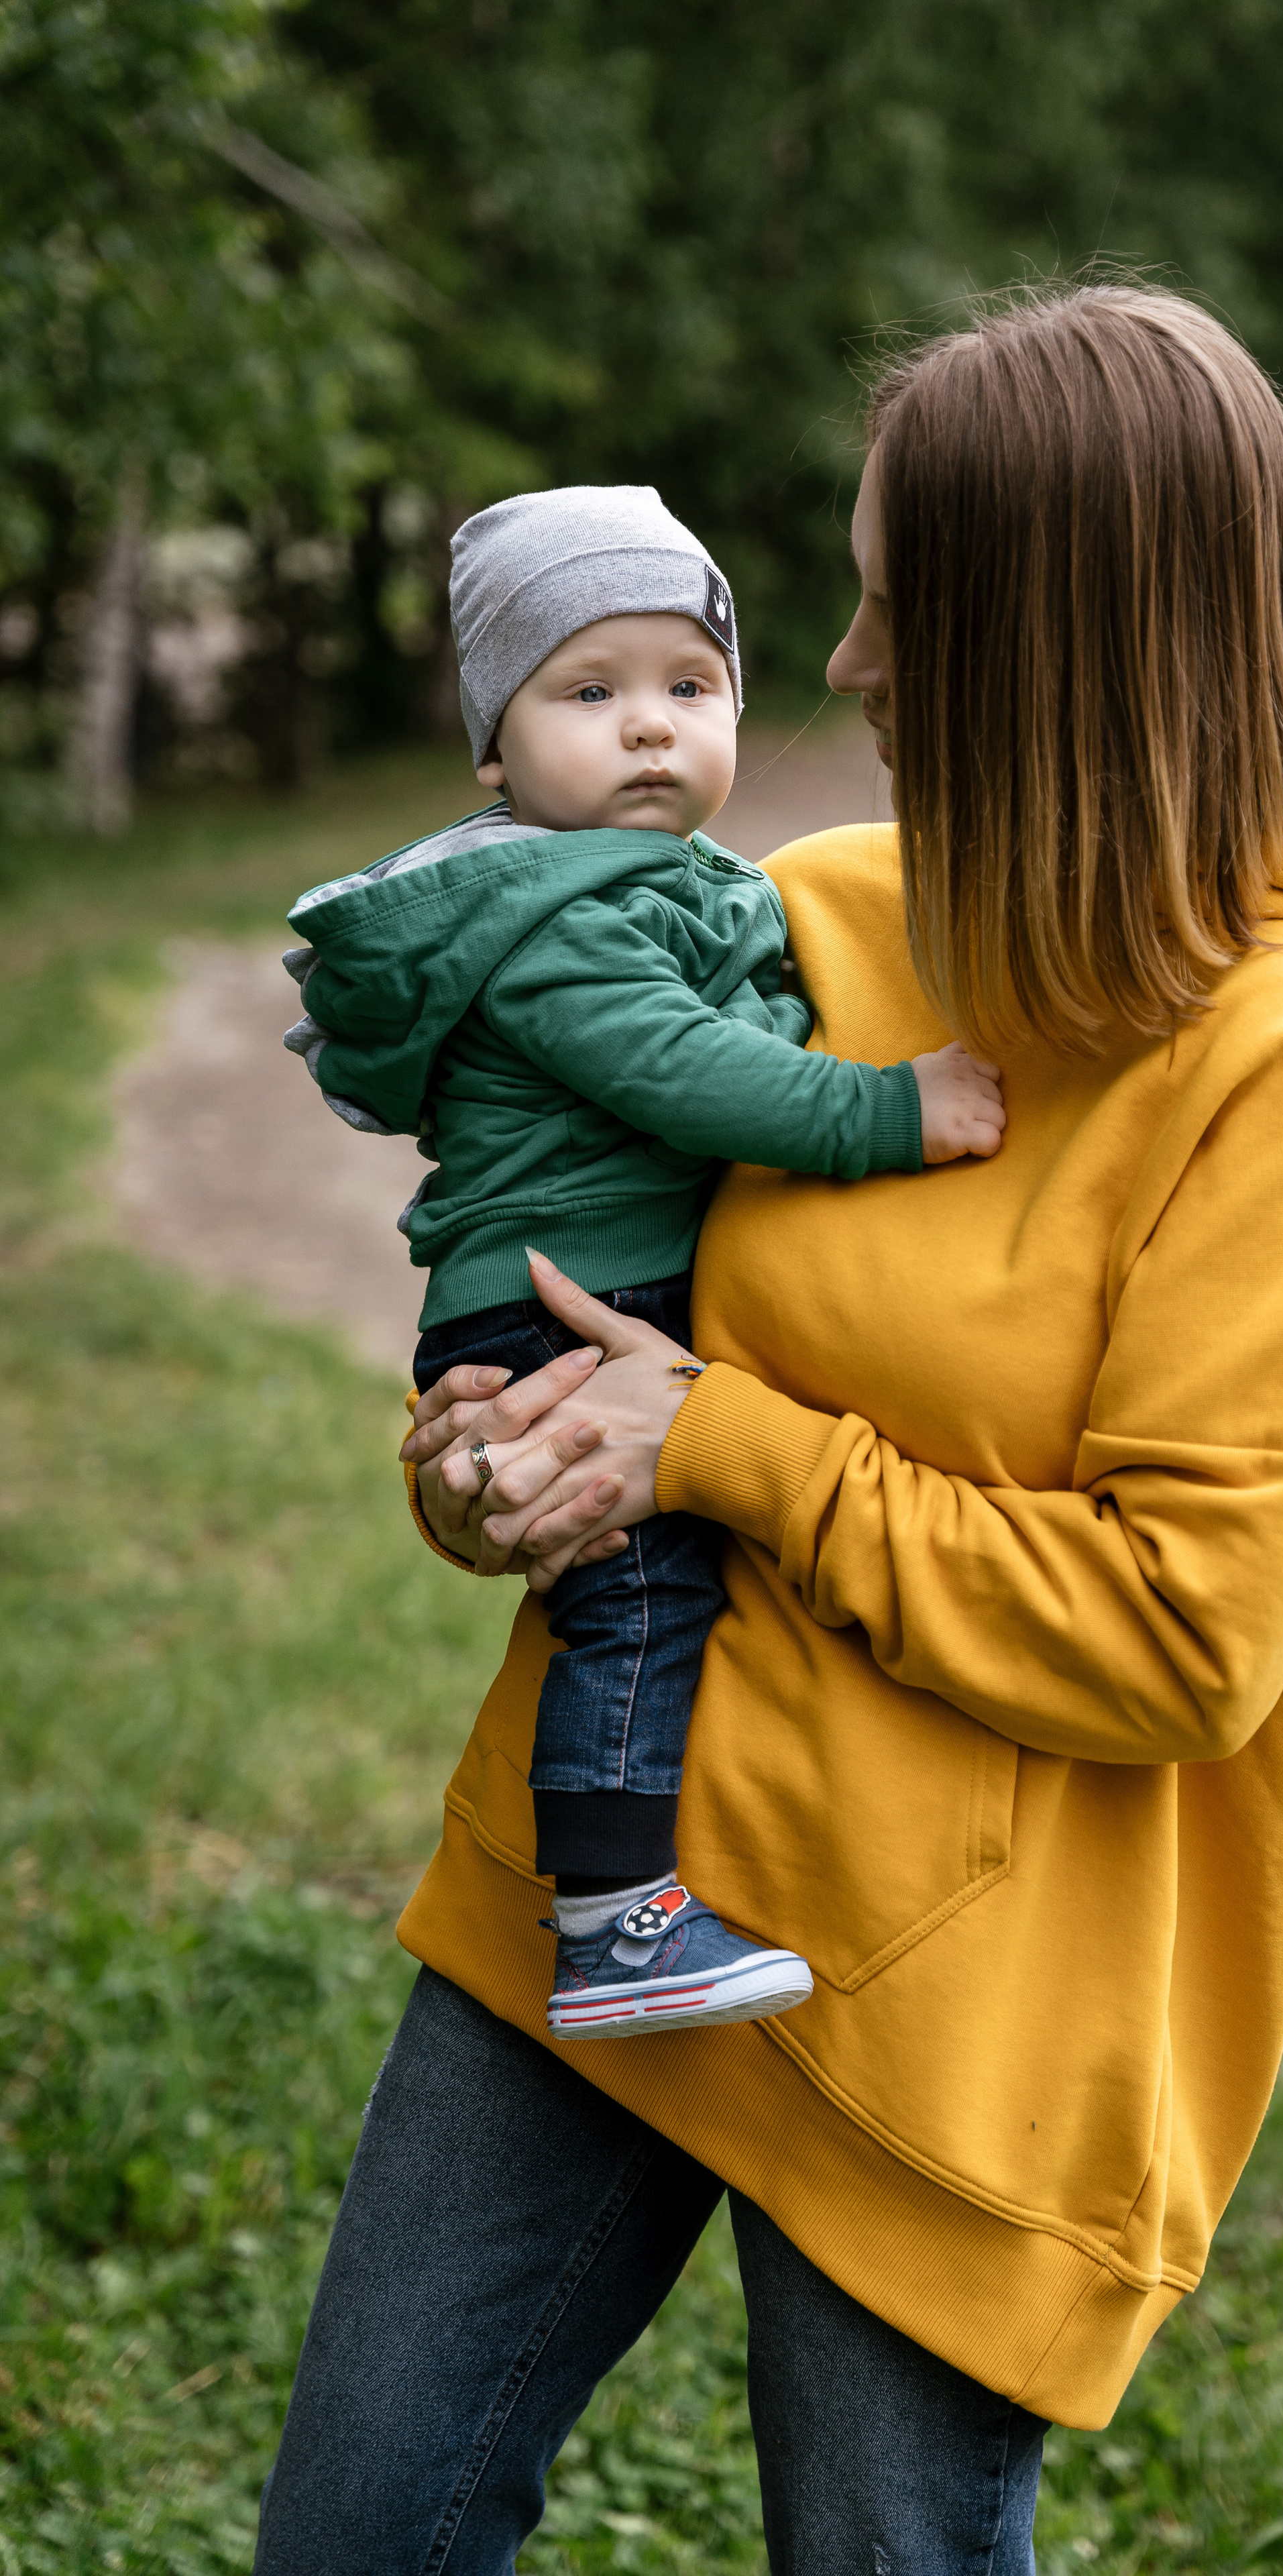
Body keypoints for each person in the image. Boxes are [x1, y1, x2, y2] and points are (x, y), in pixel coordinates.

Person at [254, 282, 1283, 2575]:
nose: (846, 666)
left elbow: (1191, 1641)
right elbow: (579, 1288)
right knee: (354, 2534)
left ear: (1056, 647)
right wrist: (500, 1457)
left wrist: (724, 1450)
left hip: (951, 2033)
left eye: (902, 599)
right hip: (601, 1889)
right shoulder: (791, 915)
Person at [279, 483, 1005, 2039]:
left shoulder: (679, 886)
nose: (651, 730)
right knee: (635, 1595)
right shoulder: (548, 915)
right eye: (587, 692)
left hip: (591, 1293)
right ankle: (614, 1914)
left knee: (640, 1584)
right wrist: (897, 1108)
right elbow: (695, 1075)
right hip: (560, 1304)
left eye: (689, 687)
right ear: (496, 746)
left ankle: (631, 1893)